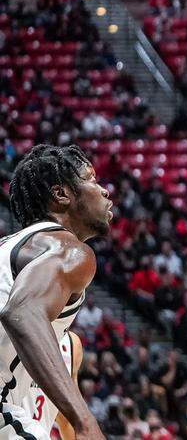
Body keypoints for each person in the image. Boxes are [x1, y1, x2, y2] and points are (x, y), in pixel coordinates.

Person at [0, 144, 113, 440]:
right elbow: (22, 312)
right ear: (61, 194)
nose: (104, 191)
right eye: (91, 179)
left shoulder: (13, 246)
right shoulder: (69, 250)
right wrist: (85, 422)